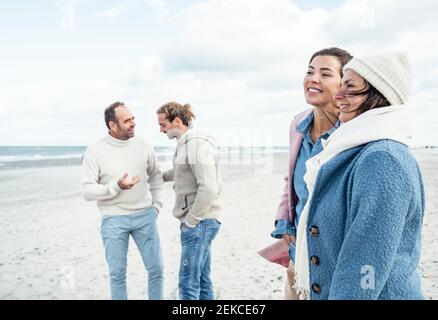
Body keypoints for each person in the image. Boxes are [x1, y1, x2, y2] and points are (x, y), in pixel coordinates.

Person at [293, 52, 425, 299]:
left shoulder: (383, 158)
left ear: (378, 97)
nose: (339, 94)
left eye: (350, 88)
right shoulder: (351, 149)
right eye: (341, 84)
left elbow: (364, 265)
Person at [258, 48, 352, 299]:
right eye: (310, 71)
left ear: (345, 83)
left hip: (331, 260)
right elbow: (291, 179)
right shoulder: (297, 124)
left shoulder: (351, 132)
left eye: (325, 73)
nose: (313, 78)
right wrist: (283, 222)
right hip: (297, 256)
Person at [82, 102, 164, 300]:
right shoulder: (94, 150)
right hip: (114, 219)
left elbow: (156, 175)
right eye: (127, 121)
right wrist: (116, 187)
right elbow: (87, 191)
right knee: (117, 275)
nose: (133, 123)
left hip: (145, 215)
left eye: (133, 118)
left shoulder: (144, 145)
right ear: (112, 125)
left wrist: (157, 206)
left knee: (157, 270)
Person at [156, 102, 221, 300]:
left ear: (177, 121)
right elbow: (180, 172)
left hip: (199, 223)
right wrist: (155, 175)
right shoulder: (186, 143)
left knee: (188, 282)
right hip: (202, 222)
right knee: (202, 279)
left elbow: (209, 188)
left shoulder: (196, 145)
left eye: (163, 124)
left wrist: (191, 221)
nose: (161, 130)